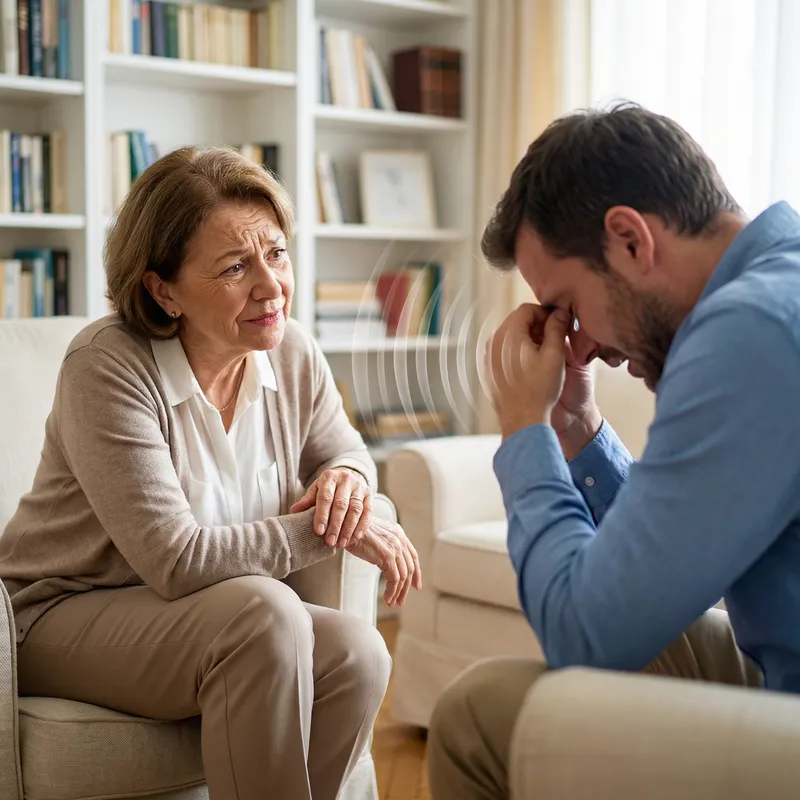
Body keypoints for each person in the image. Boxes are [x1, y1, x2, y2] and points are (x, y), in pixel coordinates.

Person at [0, 145, 421, 800]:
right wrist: (329, 531)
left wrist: (347, 481)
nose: (271, 285)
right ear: (162, 289)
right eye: (234, 267)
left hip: (205, 617)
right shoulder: (106, 368)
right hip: (56, 616)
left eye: (276, 253)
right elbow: (176, 560)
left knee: (355, 654)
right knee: (266, 613)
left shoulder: (292, 350)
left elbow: (345, 450)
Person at [427, 102, 800, 799]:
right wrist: (575, 425)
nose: (583, 345)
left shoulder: (749, 334)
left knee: (478, 720)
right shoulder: (779, 285)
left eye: (568, 304)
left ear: (630, 240)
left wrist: (523, 427)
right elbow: (663, 559)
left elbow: (583, 633)